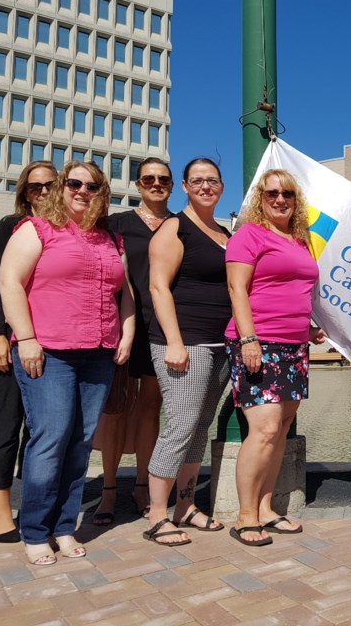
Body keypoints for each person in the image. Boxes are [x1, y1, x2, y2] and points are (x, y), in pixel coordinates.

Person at [0, 161, 135, 565]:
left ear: (101, 193)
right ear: (61, 187)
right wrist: (25, 339)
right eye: (74, 182)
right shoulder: (36, 229)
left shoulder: (110, 239)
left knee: (80, 441)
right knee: (52, 436)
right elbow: (9, 283)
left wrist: (126, 333)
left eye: (92, 185)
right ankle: (36, 530)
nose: (82, 190)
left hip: (98, 352)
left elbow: (124, 293)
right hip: (48, 350)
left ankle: (63, 527)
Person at [225, 169, 327, 546]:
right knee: (264, 429)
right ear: (260, 198)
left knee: (281, 428)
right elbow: (237, 288)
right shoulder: (248, 235)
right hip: (258, 343)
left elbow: (297, 290)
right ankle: (245, 515)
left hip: (295, 345)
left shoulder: (299, 240)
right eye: (272, 193)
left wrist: (310, 329)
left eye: (287, 193)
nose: (280, 199)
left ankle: (266, 508)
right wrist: (249, 339)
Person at [142, 157, 232, 547]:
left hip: (219, 345)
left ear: (221, 186)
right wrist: (174, 341)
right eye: (198, 181)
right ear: (185, 186)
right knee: (179, 427)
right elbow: (158, 288)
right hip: (185, 342)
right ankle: (157, 515)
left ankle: (185, 505)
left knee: (198, 428)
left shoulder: (225, 232)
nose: (205, 187)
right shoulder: (174, 227)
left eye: (212, 180)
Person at [91, 157, 174, 525]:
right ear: (138, 184)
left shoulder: (179, 225)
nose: (156, 184)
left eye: (163, 179)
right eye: (149, 179)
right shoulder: (117, 224)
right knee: (116, 409)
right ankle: (109, 490)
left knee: (150, 409)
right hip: (122, 326)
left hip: (164, 329)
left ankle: (142, 485)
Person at [0, 161, 58, 543]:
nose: (43, 192)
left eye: (49, 185)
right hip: (13, 341)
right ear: (24, 192)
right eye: (34, 187)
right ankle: (0, 513)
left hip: (51, 342)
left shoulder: (66, 228)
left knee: (41, 430)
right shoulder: (11, 226)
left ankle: (34, 504)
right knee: (7, 424)